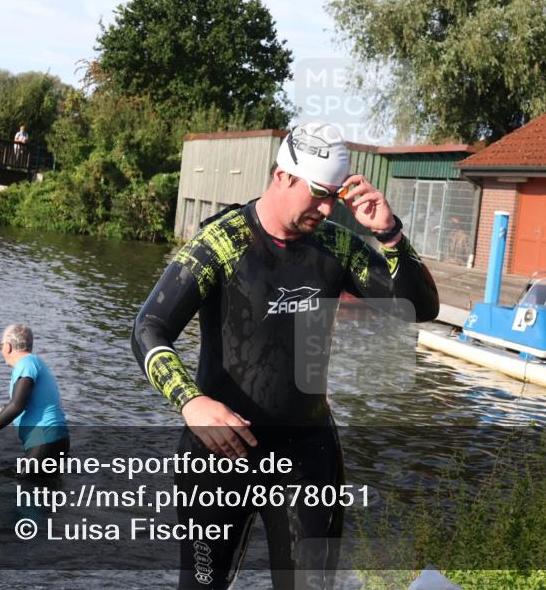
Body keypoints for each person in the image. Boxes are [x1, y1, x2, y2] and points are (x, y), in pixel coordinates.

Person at [131, 121, 439, 589]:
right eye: (318, 193)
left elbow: (419, 308)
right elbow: (149, 328)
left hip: (305, 453)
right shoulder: (223, 241)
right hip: (219, 452)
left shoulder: (336, 245)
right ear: (282, 177)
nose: (327, 207)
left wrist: (391, 234)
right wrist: (191, 403)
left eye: (335, 195)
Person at [0, 324, 69, 466]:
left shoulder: (25, 365)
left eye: (0, 346)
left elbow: (16, 406)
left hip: (44, 440)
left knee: (23, 485)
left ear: (7, 346)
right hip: (56, 440)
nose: (1, 350)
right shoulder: (35, 363)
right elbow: (15, 407)